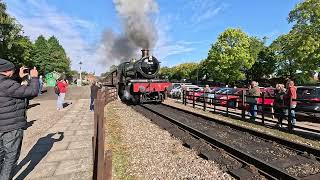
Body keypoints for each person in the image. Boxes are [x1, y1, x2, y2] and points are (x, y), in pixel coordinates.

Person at [0, 58, 39, 180]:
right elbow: (32, 92)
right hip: (11, 126)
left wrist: (21, 78)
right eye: (12, 70)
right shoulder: (7, 84)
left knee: (1, 156)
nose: (13, 72)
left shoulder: (6, 83)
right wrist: (35, 78)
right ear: (6, 71)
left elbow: (13, 91)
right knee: (10, 158)